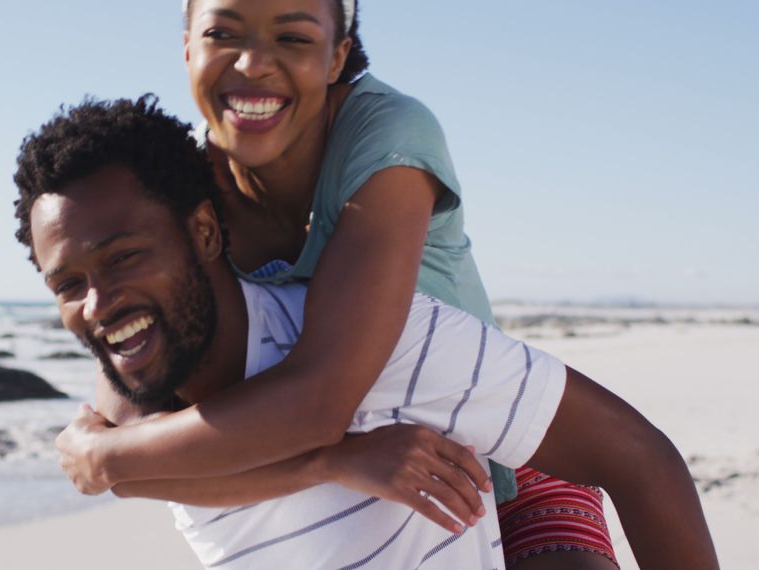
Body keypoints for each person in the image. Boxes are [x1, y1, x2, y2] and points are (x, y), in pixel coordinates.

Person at [12, 96, 717, 569]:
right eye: (67, 285)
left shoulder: (384, 342)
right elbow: (144, 470)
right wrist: (334, 461)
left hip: (520, 470)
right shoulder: (133, 414)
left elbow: (642, 461)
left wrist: (106, 462)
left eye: (125, 256)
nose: (97, 304)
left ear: (202, 230)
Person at [52, 0, 629, 567]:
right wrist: (112, 457)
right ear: (187, 49)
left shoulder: (386, 137)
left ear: (337, 56)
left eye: (293, 37)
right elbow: (137, 450)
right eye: (224, 34)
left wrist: (102, 458)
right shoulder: (184, 195)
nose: (253, 63)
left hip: (503, 444)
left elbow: (316, 404)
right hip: (376, 468)